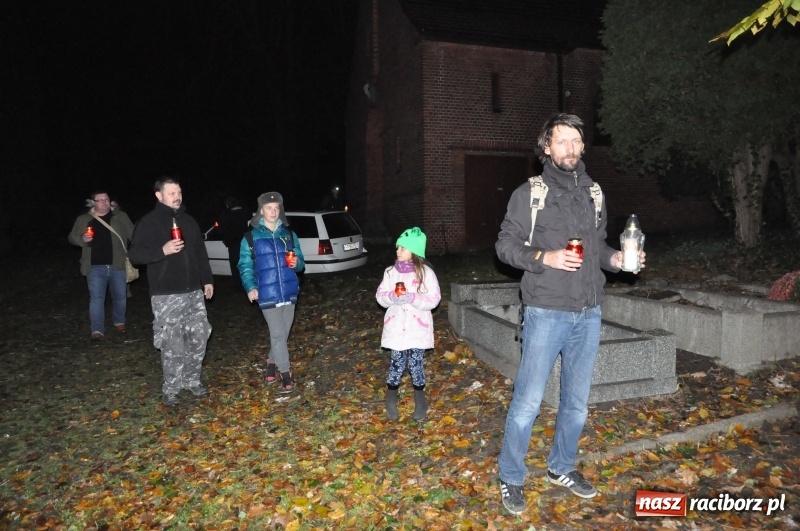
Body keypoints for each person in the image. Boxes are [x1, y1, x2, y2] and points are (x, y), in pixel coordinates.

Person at [495, 113, 645, 514]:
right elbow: (505, 246)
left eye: (576, 142)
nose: (571, 149)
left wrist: (620, 259)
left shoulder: (593, 191)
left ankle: (561, 467)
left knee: (576, 404)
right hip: (546, 311)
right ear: (546, 147)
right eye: (562, 141)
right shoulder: (529, 193)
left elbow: (598, 247)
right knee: (527, 402)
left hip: (589, 312)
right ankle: (511, 476)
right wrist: (546, 257)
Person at [128, 177, 214, 408]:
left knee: (199, 337)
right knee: (172, 344)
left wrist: (207, 280)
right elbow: (135, 256)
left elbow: (199, 252)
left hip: (193, 292)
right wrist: (162, 250)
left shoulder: (189, 221)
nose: (177, 196)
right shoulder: (148, 223)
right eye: (171, 193)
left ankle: (192, 380)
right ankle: (172, 389)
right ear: (159, 195)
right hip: (166, 294)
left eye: (179, 192)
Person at [238, 192, 305, 394]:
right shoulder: (250, 237)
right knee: (277, 335)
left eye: (276, 208)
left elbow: (301, 262)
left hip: (289, 289)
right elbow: (245, 265)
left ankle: (270, 362)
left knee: (283, 334)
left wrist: (297, 263)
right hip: (266, 292)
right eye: (269, 207)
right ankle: (285, 374)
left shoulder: (289, 235)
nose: (273, 211)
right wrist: (250, 286)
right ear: (261, 210)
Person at [375, 227, 441, 421]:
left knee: (415, 364)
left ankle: (420, 401)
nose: (398, 251)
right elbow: (380, 296)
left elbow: (434, 299)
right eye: (397, 247)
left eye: (402, 248)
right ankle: (390, 400)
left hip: (417, 328)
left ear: (414, 251)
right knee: (396, 364)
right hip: (396, 328)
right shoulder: (390, 272)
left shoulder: (426, 273)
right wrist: (391, 297)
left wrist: (413, 298)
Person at [68, 191, 135, 341]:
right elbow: (72, 237)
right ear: (93, 203)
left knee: (120, 296)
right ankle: (97, 330)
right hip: (94, 266)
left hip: (118, 263)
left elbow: (134, 234)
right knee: (97, 298)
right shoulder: (84, 219)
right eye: (100, 200)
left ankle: (119, 322)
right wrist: (82, 239)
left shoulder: (120, 216)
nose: (104, 202)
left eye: (106, 199)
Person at [217, 196, 251, 292]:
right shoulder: (245, 212)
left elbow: (222, 229)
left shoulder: (226, 214)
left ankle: (238, 287)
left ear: (228, 205)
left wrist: (225, 239)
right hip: (246, 243)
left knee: (235, 265)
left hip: (233, 244)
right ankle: (248, 285)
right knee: (246, 263)